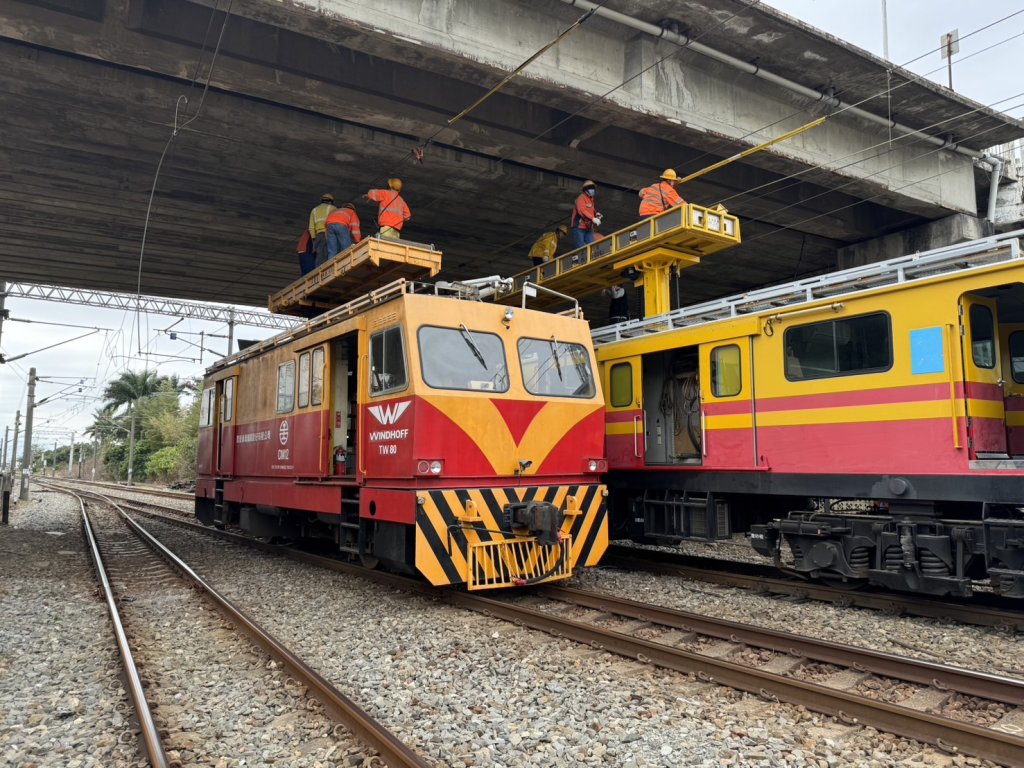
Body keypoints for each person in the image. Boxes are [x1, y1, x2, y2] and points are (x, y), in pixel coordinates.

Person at [570, 180, 602, 250]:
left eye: (593, 188)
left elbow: (590, 210)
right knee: (581, 246)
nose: (592, 190)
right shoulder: (581, 198)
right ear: (585, 189)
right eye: (590, 188)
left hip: (588, 228)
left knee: (592, 245)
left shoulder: (591, 200)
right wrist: (593, 218)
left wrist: (596, 214)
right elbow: (582, 211)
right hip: (579, 227)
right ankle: (583, 260)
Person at [308, 193, 336, 265]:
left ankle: (319, 271)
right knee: (329, 252)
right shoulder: (332, 208)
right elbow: (335, 223)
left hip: (318, 235)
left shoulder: (314, 210)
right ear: (330, 201)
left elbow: (311, 227)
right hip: (328, 233)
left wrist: (314, 238)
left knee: (319, 254)